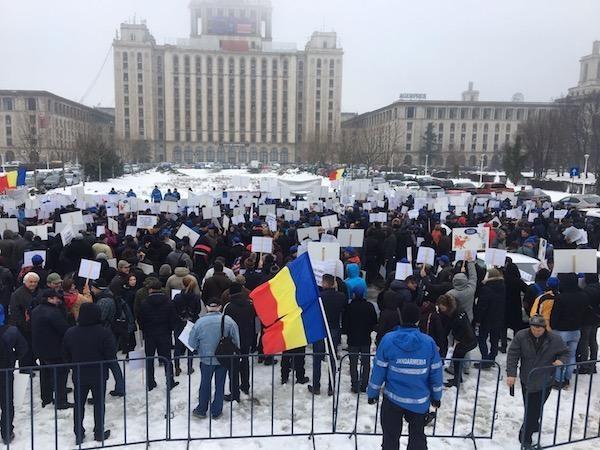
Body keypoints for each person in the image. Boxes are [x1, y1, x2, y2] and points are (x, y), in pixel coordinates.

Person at [367, 303, 443, 450]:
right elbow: (436, 372)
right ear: (418, 320)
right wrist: (436, 397)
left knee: (390, 439)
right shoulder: (429, 343)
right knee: (417, 439)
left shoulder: (388, 340)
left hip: (393, 400)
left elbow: (379, 370)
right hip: (419, 401)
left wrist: (373, 393)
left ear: (401, 318)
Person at [506, 315, 569, 449]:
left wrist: (561, 360)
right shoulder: (521, 336)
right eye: (534, 329)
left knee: (536, 408)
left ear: (544, 329)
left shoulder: (555, 339)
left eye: (539, 329)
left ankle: (532, 426)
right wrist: (511, 374)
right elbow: (513, 354)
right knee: (531, 409)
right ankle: (526, 438)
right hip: (527, 379)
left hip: (546, 380)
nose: (536, 332)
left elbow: (565, 352)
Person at [63, 303, 114, 444]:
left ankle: (78, 433)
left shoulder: (70, 332)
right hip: (99, 373)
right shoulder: (104, 332)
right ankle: (99, 432)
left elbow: (65, 354)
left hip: (79, 373)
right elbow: (110, 355)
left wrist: (72, 365)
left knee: (78, 404)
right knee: (99, 403)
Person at [189, 298, 240, 419]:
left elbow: (192, 343)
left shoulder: (200, 323)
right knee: (220, 384)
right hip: (223, 359)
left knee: (205, 383)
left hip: (206, 359)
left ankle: (201, 409)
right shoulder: (229, 321)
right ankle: (216, 410)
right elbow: (237, 342)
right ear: (220, 307)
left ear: (206, 307)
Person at [31, 289, 73, 409]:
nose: (58, 300)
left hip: (40, 349)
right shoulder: (53, 312)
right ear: (49, 299)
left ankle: (46, 398)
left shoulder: (36, 310)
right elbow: (64, 329)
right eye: (56, 298)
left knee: (45, 374)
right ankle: (61, 401)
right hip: (54, 350)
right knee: (60, 374)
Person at [137, 279, 179, 391]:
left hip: (149, 334)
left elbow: (140, 319)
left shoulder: (144, 303)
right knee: (167, 358)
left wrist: (144, 329)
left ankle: (150, 382)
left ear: (150, 289)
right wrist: (169, 329)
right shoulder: (169, 302)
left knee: (149, 359)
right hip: (164, 334)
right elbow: (173, 318)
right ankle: (170, 381)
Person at [309, 274, 347, 395]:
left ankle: (316, 386)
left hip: (320, 329)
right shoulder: (341, 297)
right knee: (332, 357)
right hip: (334, 329)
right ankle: (331, 386)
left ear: (325, 283)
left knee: (317, 359)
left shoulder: (319, 297)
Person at [550, 273, 589, 389]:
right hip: (576, 329)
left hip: (561, 330)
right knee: (571, 355)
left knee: (560, 357)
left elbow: (554, 316)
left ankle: (558, 380)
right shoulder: (583, 296)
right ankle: (567, 378)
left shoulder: (560, 297)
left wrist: (553, 326)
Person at [0, 305, 27, 444]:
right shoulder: (12, 331)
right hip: (5, 371)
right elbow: (23, 348)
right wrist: (13, 357)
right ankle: (6, 432)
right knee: (7, 403)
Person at [223, 282, 255, 399]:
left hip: (233, 340)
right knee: (245, 361)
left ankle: (234, 392)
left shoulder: (229, 307)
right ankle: (245, 385)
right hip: (247, 337)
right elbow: (254, 319)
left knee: (233, 365)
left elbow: (225, 324)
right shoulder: (250, 304)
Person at [436, 294, 477, 387]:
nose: (441, 309)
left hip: (466, 340)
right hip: (464, 338)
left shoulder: (458, 313)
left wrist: (457, 339)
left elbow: (462, 327)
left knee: (457, 358)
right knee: (457, 358)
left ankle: (457, 380)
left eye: (442, 307)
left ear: (447, 305)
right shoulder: (452, 311)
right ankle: (458, 378)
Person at [343, 285, 378, 393]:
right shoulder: (369, 306)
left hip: (353, 340)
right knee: (365, 363)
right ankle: (364, 384)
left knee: (353, 363)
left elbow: (345, 324)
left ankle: (355, 384)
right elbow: (374, 322)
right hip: (365, 339)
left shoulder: (349, 307)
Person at [474, 268, 506, 368]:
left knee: (482, 339)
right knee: (494, 339)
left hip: (486, 318)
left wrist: (478, 319)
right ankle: (492, 358)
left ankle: (485, 359)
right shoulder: (503, 287)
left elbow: (482, 306)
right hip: (498, 317)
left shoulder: (486, 289)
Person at [173, 276, 203, 376]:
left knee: (177, 346)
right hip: (191, 322)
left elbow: (174, 310)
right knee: (190, 345)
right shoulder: (196, 297)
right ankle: (189, 367)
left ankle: (177, 367)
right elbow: (198, 310)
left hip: (179, 322)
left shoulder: (177, 297)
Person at [8, 271, 39, 370]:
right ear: (25, 282)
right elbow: (15, 311)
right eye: (31, 282)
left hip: (36, 326)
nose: (33, 284)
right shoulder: (17, 294)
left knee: (33, 346)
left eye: (35, 282)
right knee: (25, 348)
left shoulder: (39, 292)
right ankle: (25, 367)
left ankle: (32, 363)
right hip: (23, 327)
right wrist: (22, 324)